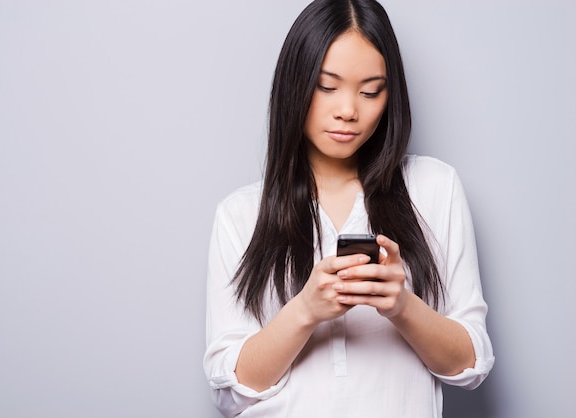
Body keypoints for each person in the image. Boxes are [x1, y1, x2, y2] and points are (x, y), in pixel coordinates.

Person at [203, 0, 494, 416]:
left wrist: (402, 305)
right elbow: (233, 390)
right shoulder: (240, 214)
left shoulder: (435, 188)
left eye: (370, 91)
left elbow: (471, 364)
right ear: (295, 84)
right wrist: (305, 310)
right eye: (327, 86)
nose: (348, 110)